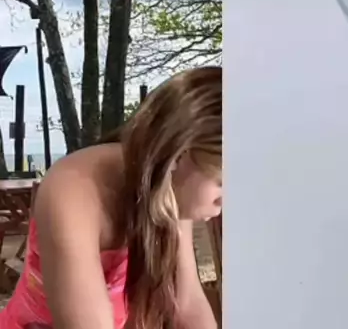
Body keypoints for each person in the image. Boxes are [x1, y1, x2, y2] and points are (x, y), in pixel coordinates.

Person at [0, 66, 222, 329]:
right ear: (178, 155)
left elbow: (187, 305)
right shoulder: (74, 192)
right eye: (222, 183)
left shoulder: (169, 189)